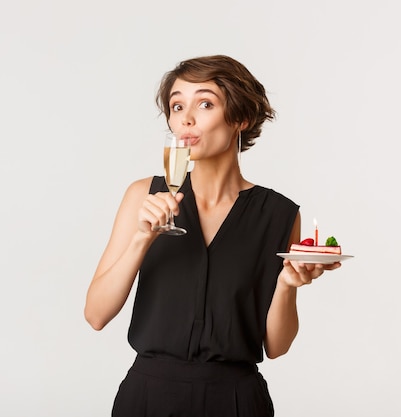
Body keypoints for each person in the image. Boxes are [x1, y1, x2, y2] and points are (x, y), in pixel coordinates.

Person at [84, 54, 341, 417]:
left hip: (237, 401)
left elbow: (277, 346)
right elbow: (95, 315)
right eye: (176, 106)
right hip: (148, 398)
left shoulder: (279, 214)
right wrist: (142, 239)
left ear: (240, 118)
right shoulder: (143, 196)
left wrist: (287, 284)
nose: (185, 118)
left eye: (205, 103)